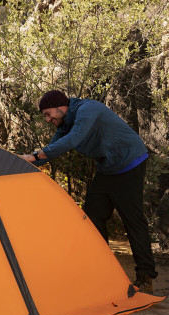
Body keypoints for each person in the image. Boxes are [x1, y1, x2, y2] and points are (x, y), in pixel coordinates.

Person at [21, 90, 157, 294]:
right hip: (108, 168)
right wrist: (20, 161)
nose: (49, 119)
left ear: (61, 106)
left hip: (129, 162)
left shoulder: (88, 109)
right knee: (92, 214)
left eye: (49, 114)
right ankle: (103, 270)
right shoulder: (64, 123)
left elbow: (74, 139)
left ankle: (145, 277)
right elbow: (54, 147)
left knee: (132, 219)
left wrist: (34, 156)